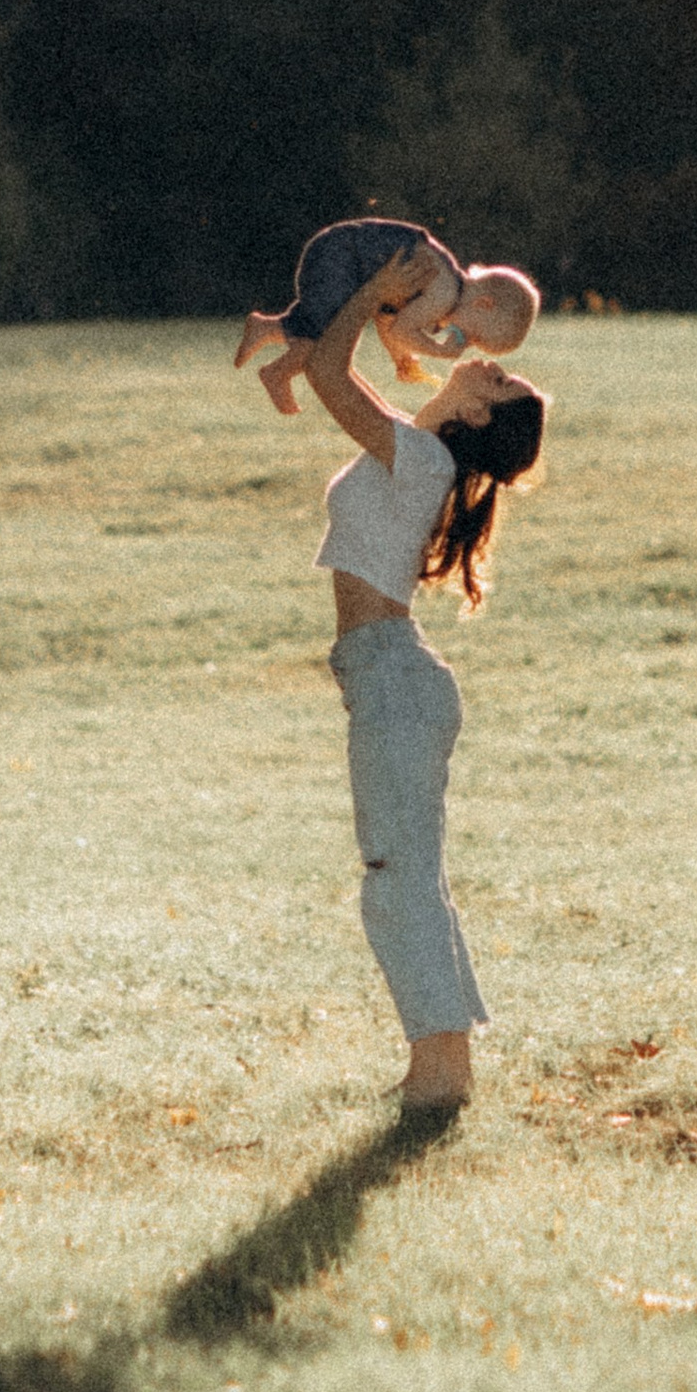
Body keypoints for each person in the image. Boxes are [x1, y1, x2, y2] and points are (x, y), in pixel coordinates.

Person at [301, 243, 546, 1111]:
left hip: (394, 683)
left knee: (395, 880)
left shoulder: (424, 458)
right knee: (409, 876)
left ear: (478, 420)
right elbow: (335, 354)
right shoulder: (423, 456)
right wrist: (385, 307)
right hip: (391, 680)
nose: (488, 367)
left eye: (499, 385)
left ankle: (439, 1077)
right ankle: (440, 1070)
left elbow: (330, 376)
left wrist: (371, 289)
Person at [234, 215, 538, 419]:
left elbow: (388, 316)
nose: (467, 343)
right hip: (344, 256)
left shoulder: (442, 297)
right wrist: (438, 351)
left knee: (322, 332)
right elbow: (400, 329)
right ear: (483, 304)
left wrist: (400, 357)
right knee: (325, 339)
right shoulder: (443, 291)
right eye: (476, 337)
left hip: (341, 253)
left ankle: (266, 329)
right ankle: (277, 372)